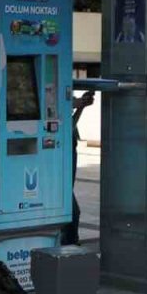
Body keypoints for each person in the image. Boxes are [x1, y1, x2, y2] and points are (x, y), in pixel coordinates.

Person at [61, 89, 96, 246]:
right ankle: (70, 244)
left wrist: (80, 106)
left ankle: (70, 243)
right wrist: (72, 104)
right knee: (72, 210)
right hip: (61, 150)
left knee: (71, 205)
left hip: (69, 147)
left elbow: (69, 125)